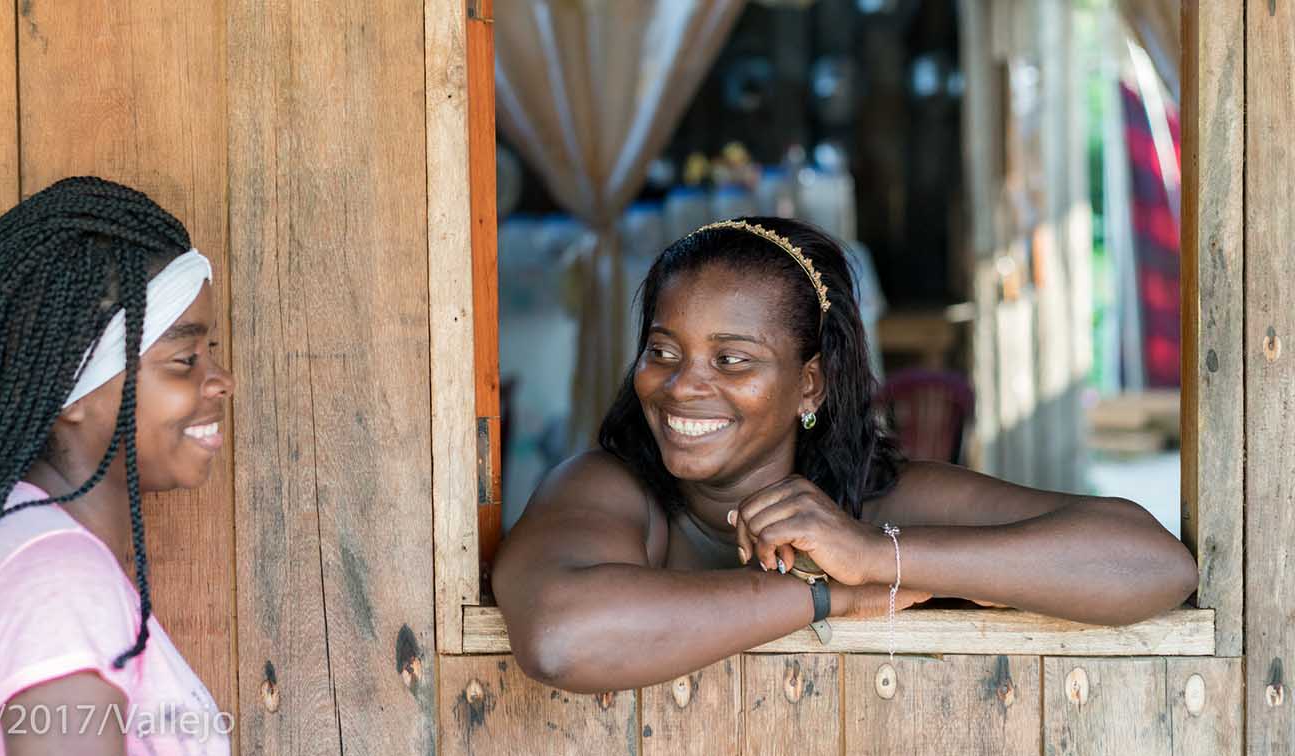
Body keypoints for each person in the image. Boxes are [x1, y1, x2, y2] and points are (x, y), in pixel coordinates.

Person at [491, 217, 1197, 694]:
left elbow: (1153, 565)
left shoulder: (881, 499)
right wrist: (825, 594)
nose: (681, 386)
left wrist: (878, 557)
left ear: (810, 381)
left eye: (732, 359)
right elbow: (559, 636)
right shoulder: (611, 488)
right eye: (662, 351)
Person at [0, 177, 233, 755]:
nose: (220, 382)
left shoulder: (7, 545)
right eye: (183, 360)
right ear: (71, 391)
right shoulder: (58, 581)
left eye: (212, 354)